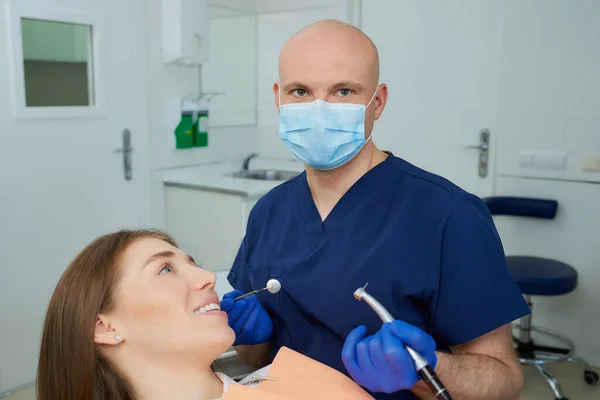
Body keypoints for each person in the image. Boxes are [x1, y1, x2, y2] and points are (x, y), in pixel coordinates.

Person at [223, 19, 531, 400]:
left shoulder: (448, 215)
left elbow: (504, 380)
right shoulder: (268, 211)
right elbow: (255, 358)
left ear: (378, 101)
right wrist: (251, 338)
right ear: (278, 97)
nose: (319, 109)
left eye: (343, 91)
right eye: (300, 91)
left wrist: (426, 369)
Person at [36, 229, 375, 400]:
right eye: (166, 270)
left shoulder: (313, 385)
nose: (208, 276)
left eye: (193, 264)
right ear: (104, 326)